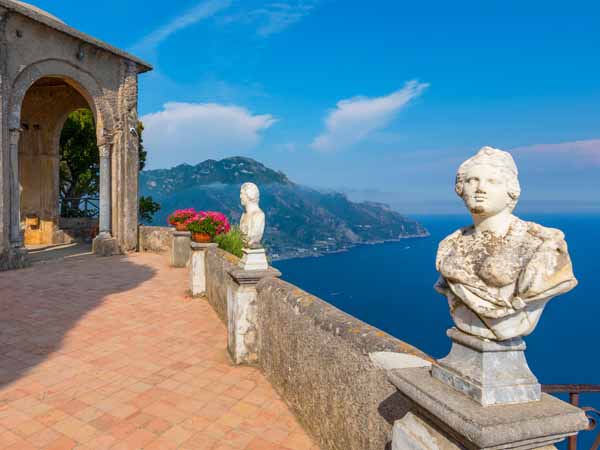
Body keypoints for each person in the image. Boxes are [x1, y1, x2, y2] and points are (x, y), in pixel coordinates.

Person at [435, 146, 577, 341]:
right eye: (471, 180)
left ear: (511, 190)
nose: (480, 188)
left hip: (509, 332)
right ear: (460, 188)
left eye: (492, 181)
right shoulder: (450, 246)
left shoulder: (542, 246)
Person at [239, 182, 265, 249]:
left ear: (249, 195)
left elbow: (253, 237)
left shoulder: (258, 216)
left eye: (241, 193)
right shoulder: (243, 215)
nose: (240, 196)